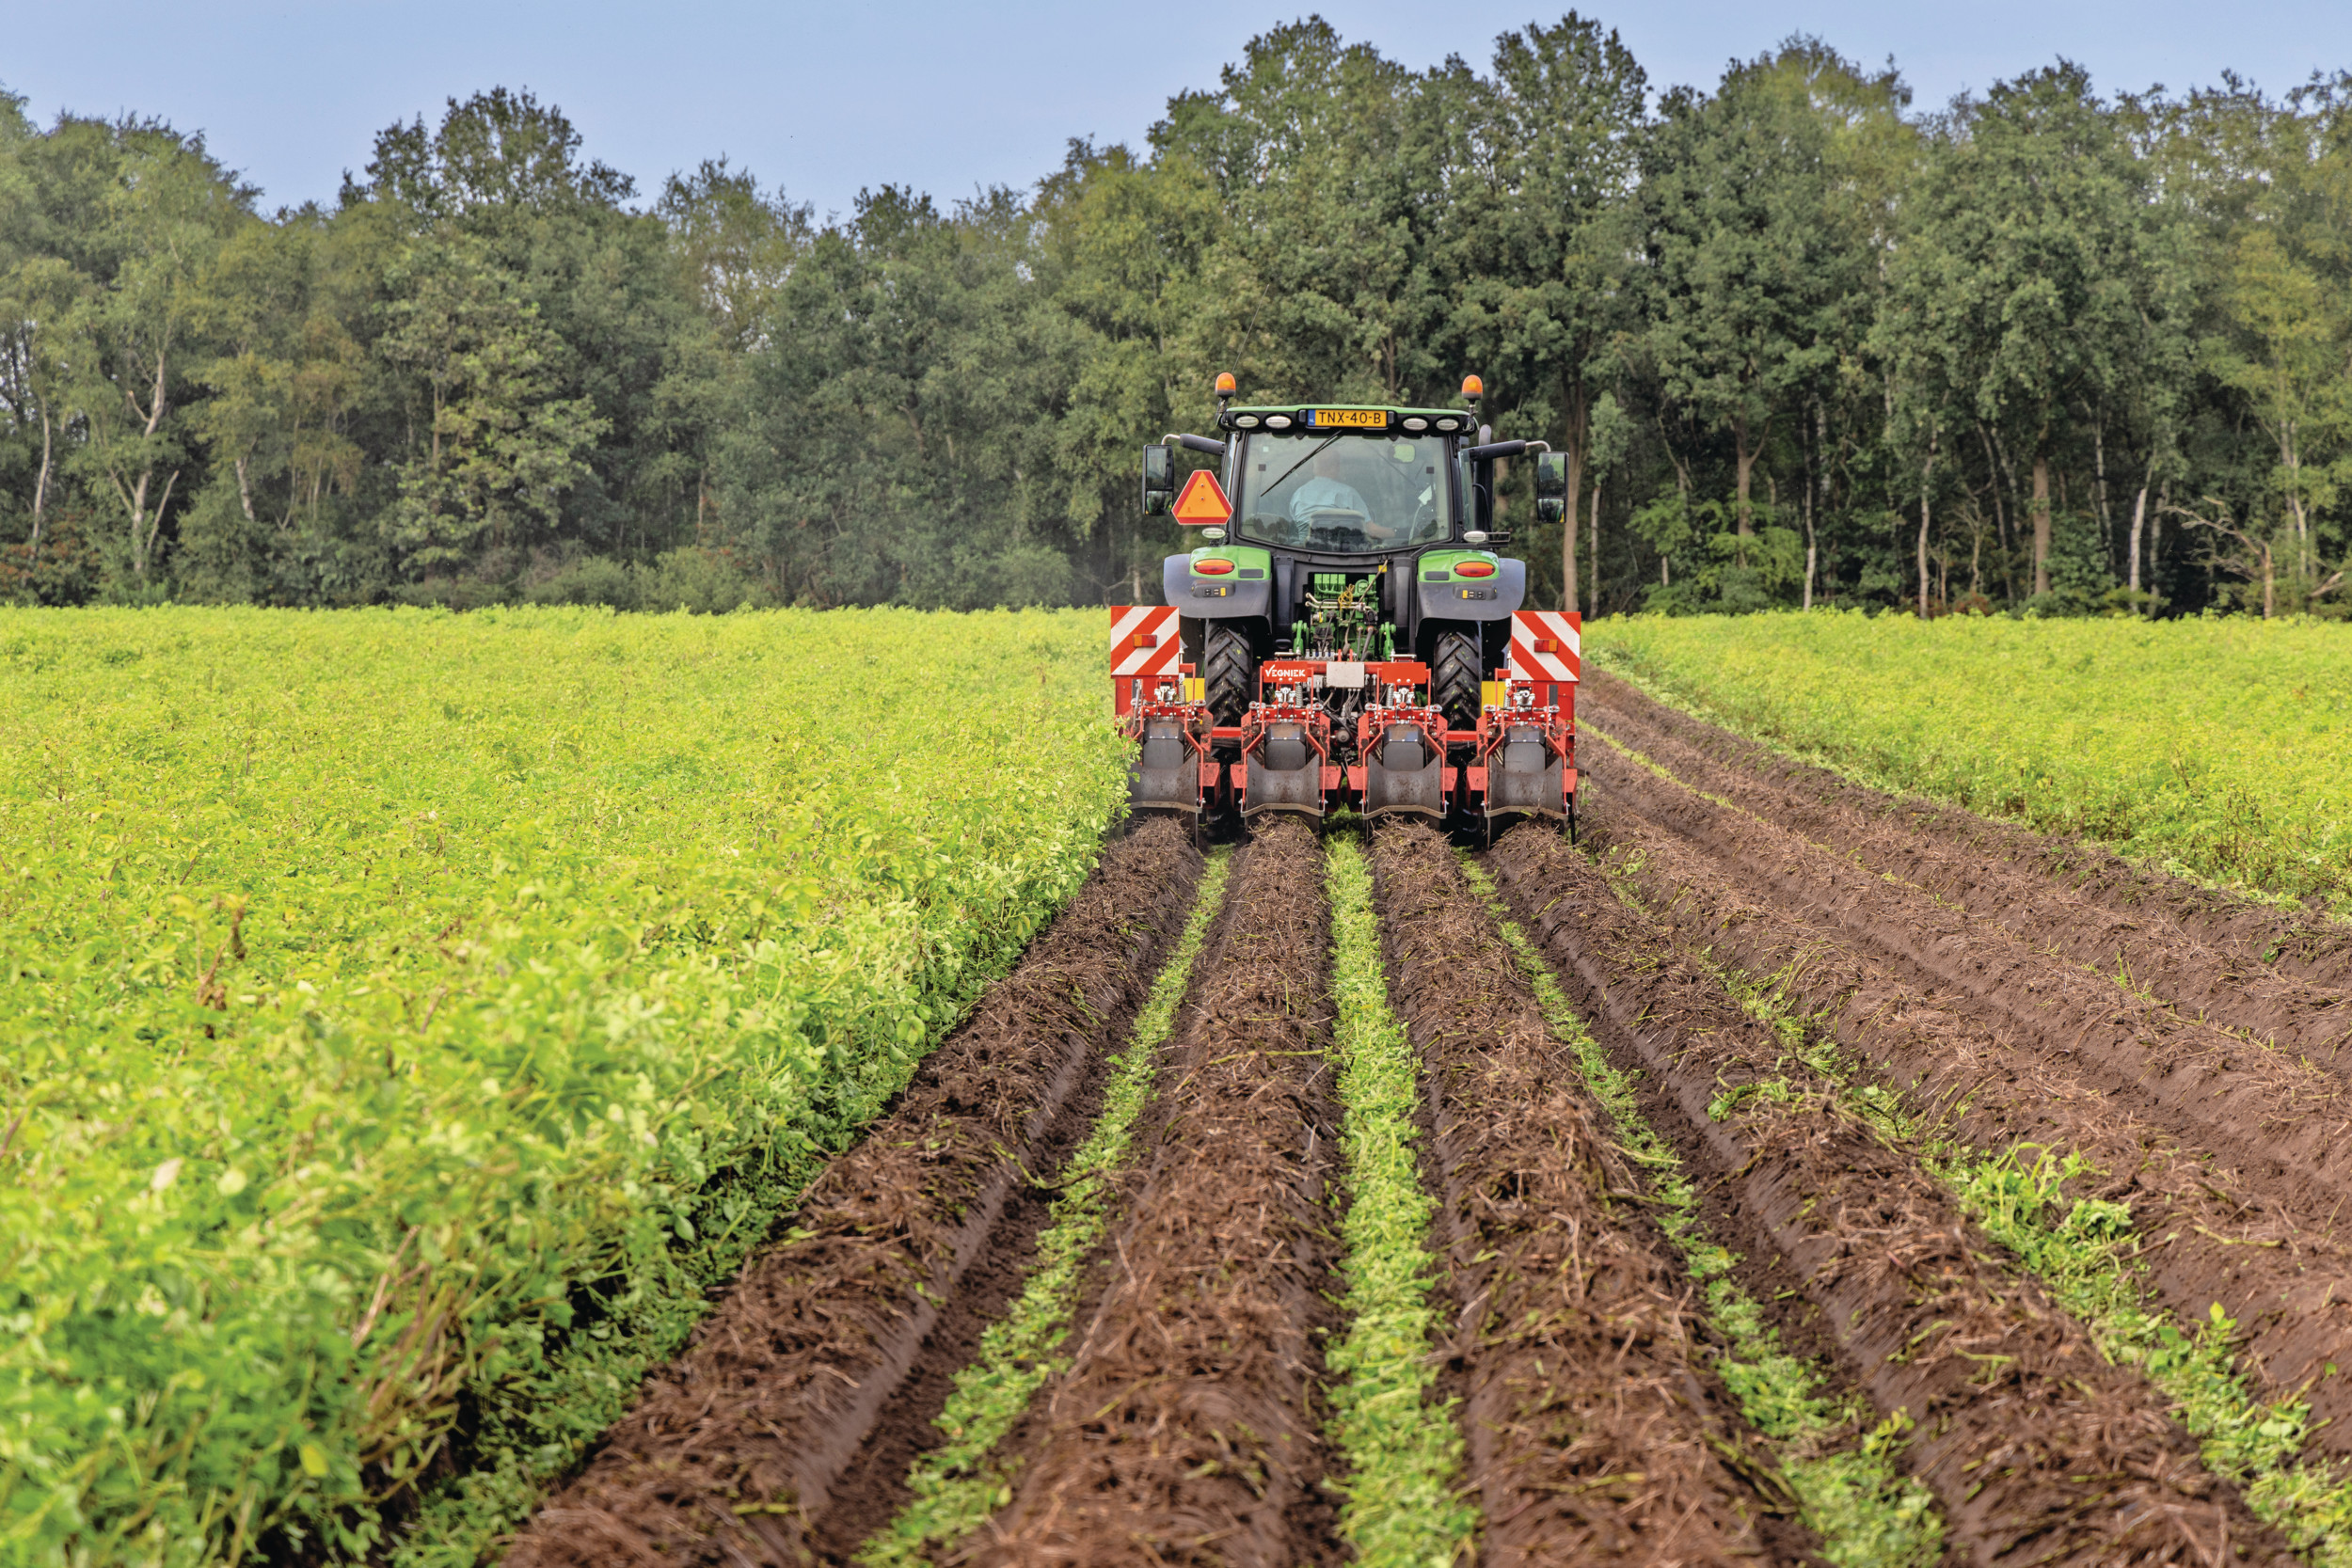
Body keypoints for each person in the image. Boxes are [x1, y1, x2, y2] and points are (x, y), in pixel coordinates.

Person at [1288, 445, 1375, 535]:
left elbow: (1296, 528)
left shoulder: (1298, 494)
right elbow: (1372, 531)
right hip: (1336, 548)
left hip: (1302, 548)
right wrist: (1390, 533)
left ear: (1314, 467)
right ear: (1335, 467)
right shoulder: (1348, 493)